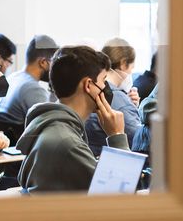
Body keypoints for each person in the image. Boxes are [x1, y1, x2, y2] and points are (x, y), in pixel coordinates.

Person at [16, 45, 130, 192]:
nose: (106, 86)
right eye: (103, 80)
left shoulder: (53, 125)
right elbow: (122, 193)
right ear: (88, 85)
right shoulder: (67, 141)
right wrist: (117, 135)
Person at [0, 35, 59, 141]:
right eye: (54, 63)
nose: (55, 68)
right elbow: (52, 128)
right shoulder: (33, 89)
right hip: (16, 150)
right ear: (43, 62)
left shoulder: (13, 77)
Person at [84, 38, 142, 156]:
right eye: (131, 68)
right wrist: (130, 108)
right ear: (123, 63)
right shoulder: (120, 101)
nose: (131, 73)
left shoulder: (92, 91)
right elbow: (140, 142)